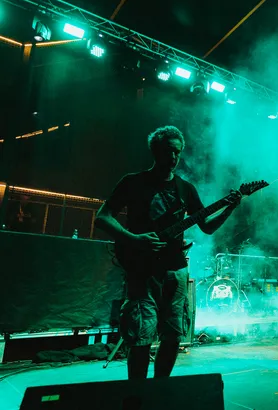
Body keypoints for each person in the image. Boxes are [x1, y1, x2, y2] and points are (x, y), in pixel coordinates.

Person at [95, 125, 241, 379]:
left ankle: (160, 388)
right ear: (155, 151)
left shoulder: (186, 189)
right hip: (142, 271)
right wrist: (134, 239)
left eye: (178, 152)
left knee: (173, 335)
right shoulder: (133, 182)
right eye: (168, 151)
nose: (174, 157)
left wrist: (229, 208)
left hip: (176, 270)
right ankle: (139, 392)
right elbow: (103, 217)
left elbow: (206, 227)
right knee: (140, 335)